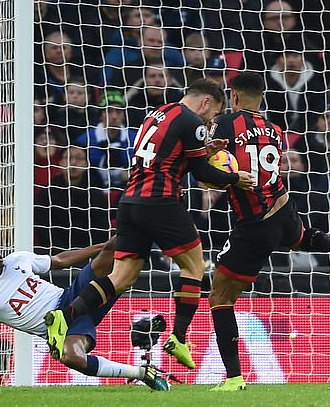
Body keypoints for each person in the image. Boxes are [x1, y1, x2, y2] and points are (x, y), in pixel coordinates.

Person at [43, 79, 255, 367]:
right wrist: (235, 178)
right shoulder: (192, 121)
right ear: (206, 102)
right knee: (194, 266)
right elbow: (200, 172)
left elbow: (171, 157)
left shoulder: (156, 113)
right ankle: (179, 338)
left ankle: (63, 316)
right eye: (214, 113)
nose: (212, 120)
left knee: (122, 278)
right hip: (161, 201)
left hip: (130, 202)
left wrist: (203, 150)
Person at [205, 72, 330, 391]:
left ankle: (233, 378)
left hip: (254, 222)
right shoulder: (274, 130)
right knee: (300, 237)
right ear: (262, 97)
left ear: (232, 97)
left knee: (220, 297)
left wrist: (216, 172)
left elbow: (207, 158)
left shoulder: (226, 123)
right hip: (283, 208)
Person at [0, 234, 169, 391]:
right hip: (62, 330)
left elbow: (60, 261)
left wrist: (101, 249)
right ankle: (142, 373)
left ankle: (155, 223)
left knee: (113, 245)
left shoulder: (18, 260)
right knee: (72, 357)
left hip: (72, 299)